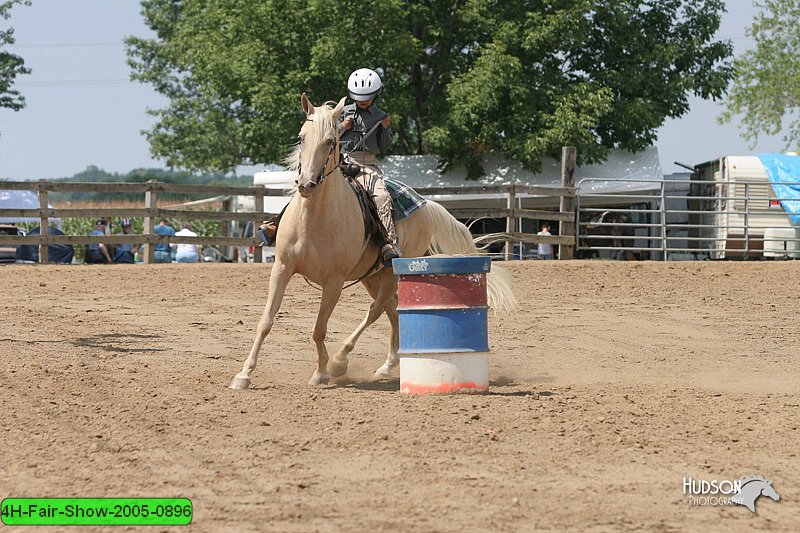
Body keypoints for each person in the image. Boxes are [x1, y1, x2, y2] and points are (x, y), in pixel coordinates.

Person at [258, 68, 398, 264]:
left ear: (375, 95)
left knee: (381, 196)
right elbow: (325, 138)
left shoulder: (381, 116)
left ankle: (389, 242)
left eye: (367, 97)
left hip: (368, 165)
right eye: (359, 97)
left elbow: (384, 147)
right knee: (307, 186)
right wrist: (342, 127)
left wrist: (386, 128)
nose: (363, 101)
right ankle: (275, 225)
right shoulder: (342, 112)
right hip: (339, 162)